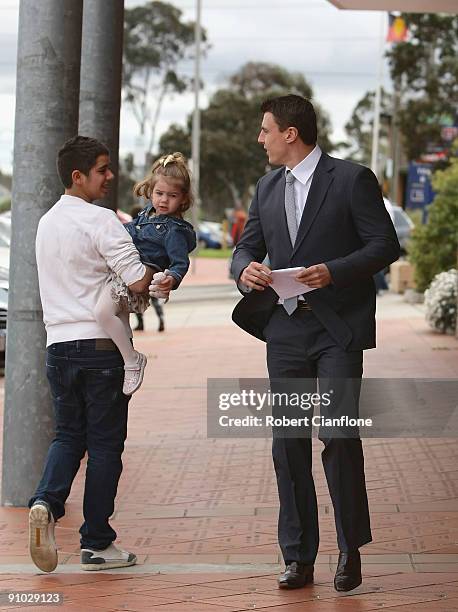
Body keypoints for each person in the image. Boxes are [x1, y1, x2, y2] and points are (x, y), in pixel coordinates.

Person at [231, 95, 400, 592]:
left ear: (291, 133)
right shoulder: (265, 188)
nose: (260, 139)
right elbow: (246, 246)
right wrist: (246, 270)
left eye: (265, 130)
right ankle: (299, 557)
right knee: (288, 445)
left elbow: (384, 244)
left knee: (339, 436)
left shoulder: (351, 179)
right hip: (283, 331)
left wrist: (334, 272)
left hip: (337, 330)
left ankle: (350, 550)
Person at [28, 136, 170, 573]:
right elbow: (137, 278)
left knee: (68, 436)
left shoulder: (46, 222)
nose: (110, 177)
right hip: (101, 349)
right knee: (106, 446)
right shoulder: (100, 219)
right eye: (103, 170)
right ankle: (97, 543)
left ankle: (45, 502)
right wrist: (162, 271)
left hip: (58, 346)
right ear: (78, 176)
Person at [93, 153, 196, 394]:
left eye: (172, 196)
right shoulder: (144, 216)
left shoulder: (174, 230)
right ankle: (125, 356)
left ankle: (132, 361)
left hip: (139, 280)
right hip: (124, 275)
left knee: (102, 313)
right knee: (116, 319)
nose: (164, 200)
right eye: (159, 193)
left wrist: (172, 279)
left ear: (183, 200)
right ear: (150, 190)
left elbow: (180, 263)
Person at [129, 204, 165, 333]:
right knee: (154, 298)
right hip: (153, 268)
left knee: (135, 297)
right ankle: (161, 320)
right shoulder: (152, 228)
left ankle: (140, 323)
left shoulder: (131, 229)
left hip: (138, 269)